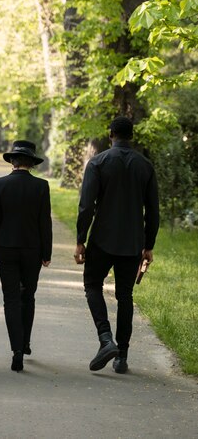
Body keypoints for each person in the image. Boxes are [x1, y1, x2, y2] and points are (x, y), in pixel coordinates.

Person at [74, 116, 159, 374]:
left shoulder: (98, 163)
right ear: (131, 136)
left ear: (110, 134)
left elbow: (87, 205)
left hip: (102, 239)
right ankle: (121, 356)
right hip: (132, 242)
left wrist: (81, 240)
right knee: (125, 296)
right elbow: (153, 211)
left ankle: (105, 338)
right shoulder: (145, 166)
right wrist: (149, 245)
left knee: (92, 285)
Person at [0, 140, 52, 372]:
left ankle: (16, 351)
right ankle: (25, 343)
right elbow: (45, 223)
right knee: (29, 296)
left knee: (11, 299)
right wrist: (47, 252)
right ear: (31, 163)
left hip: (5, 248)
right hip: (32, 250)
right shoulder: (41, 186)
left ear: (12, 162)